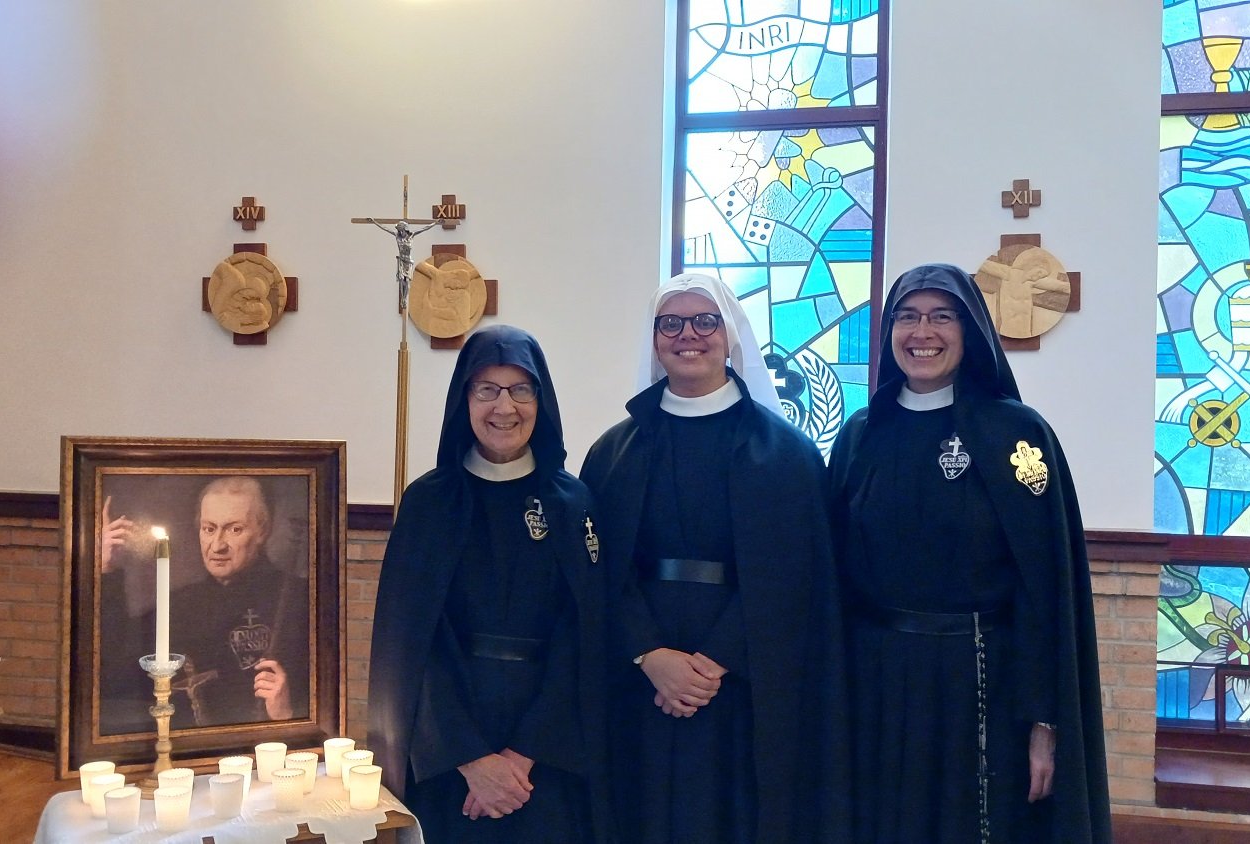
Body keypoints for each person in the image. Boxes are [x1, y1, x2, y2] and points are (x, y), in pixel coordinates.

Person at [825, 263, 1110, 843]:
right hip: (874, 683)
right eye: (906, 316)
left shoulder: (1017, 435)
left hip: (984, 683)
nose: (921, 331)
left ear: (970, 330)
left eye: (941, 316)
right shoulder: (861, 432)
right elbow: (830, 576)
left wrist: (1044, 724)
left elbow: (1045, 590)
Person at [579, 273, 849, 843]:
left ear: (731, 337)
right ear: (654, 340)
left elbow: (795, 576)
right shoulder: (613, 452)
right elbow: (597, 570)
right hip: (643, 682)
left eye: (705, 321)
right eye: (670, 324)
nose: (688, 336)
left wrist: (713, 662)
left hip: (744, 683)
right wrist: (649, 653)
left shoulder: (786, 454)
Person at [368, 325, 611, 843]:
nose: (505, 407)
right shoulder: (428, 503)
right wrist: (470, 758)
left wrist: (524, 755)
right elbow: (407, 644)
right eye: (488, 390)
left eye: (520, 389)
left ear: (540, 400)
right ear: (465, 400)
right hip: (450, 752)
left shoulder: (572, 503)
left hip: (547, 752)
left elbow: (584, 635)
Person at [100, 476, 309, 728]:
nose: (217, 545)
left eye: (235, 529)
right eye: (209, 529)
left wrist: (288, 713)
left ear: (262, 531)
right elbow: (118, 675)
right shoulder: (178, 606)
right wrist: (106, 570)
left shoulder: (299, 599)